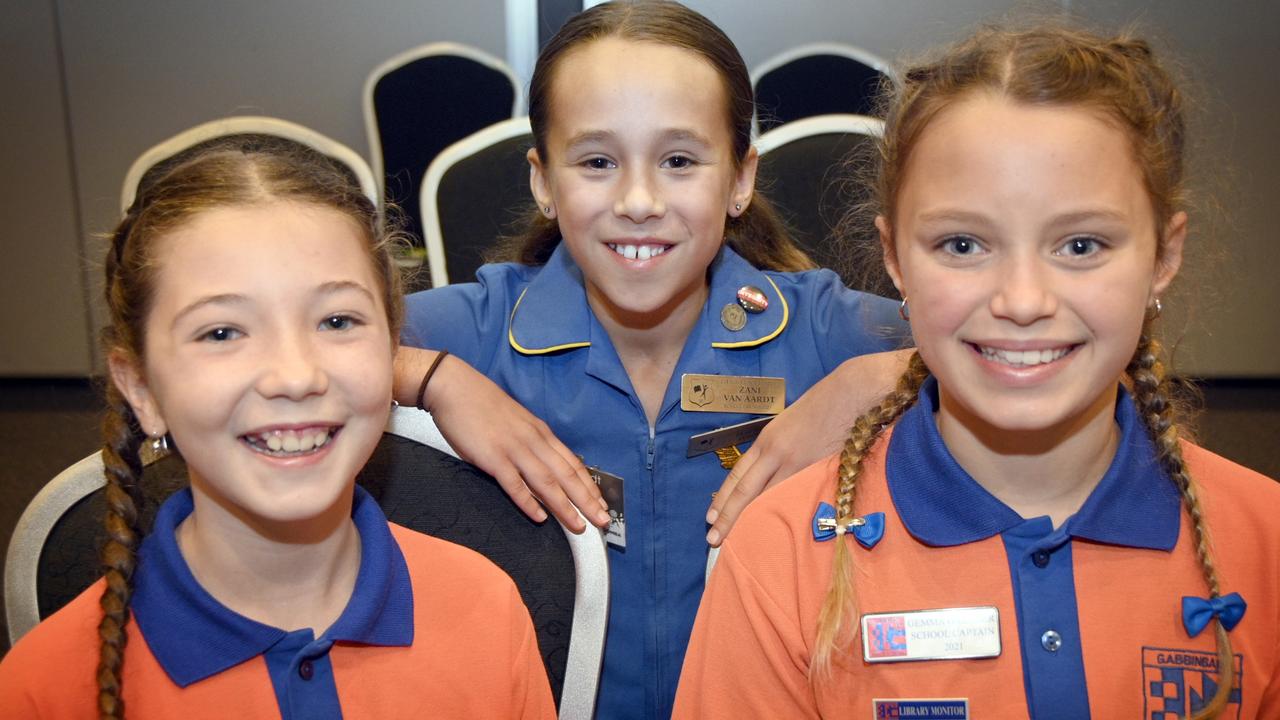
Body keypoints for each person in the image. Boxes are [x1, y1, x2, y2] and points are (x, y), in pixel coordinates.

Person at [674, 24, 1280, 719]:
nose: (1022, 301)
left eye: (1081, 244)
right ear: (896, 258)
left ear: (1163, 258)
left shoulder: (1265, 546)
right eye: (962, 244)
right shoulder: (782, 557)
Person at [397, 3, 909, 717]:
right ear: (544, 181)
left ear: (739, 178)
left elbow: (1042, 344)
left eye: (678, 161)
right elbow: (258, 355)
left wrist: (880, 376)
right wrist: (431, 376)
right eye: (598, 161)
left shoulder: (820, 330)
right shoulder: (479, 330)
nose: (639, 201)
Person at [0, 135, 556, 719]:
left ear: (392, 346)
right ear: (141, 388)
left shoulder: (486, 611)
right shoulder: (46, 687)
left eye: (337, 320)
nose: (294, 376)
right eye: (222, 333)